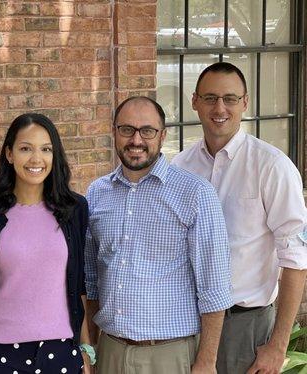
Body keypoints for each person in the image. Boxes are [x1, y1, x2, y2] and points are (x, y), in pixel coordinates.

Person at [172, 62, 307, 374]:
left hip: (245, 326)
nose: (220, 108)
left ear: (245, 103)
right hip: (186, 322)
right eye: (210, 98)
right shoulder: (179, 166)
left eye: (230, 99)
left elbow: (296, 258)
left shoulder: (271, 166)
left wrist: (278, 345)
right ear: (195, 102)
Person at [85, 96, 233, 373]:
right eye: (127, 129)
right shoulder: (97, 193)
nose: (136, 140)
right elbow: (92, 281)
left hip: (170, 354)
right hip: (110, 351)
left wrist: (206, 361)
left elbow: (214, 288)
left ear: (162, 135)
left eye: (147, 131)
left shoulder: (195, 194)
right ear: (114, 132)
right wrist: (90, 348)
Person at [0, 113, 93, 374]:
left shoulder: (74, 209)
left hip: (62, 351)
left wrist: (86, 350)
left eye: (46, 149)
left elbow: (78, 283)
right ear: (9, 154)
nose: (36, 159)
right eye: (25, 149)